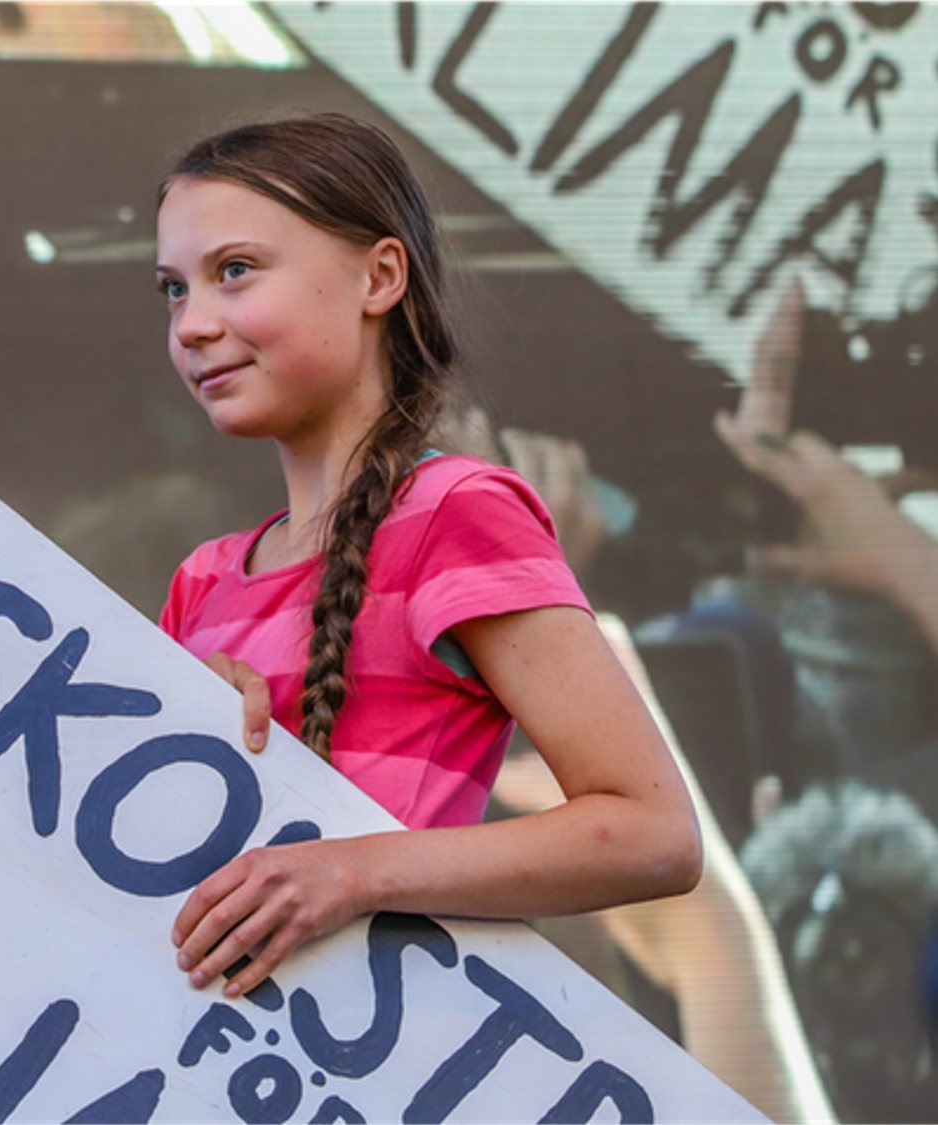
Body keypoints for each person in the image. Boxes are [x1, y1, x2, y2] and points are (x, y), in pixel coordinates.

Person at [154, 113, 702, 1002]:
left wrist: (349, 873)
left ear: (379, 276)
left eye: (236, 271)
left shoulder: (458, 513)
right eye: (173, 289)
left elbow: (653, 833)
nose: (194, 324)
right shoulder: (203, 580)